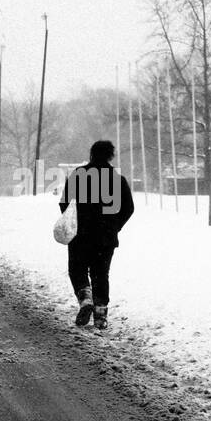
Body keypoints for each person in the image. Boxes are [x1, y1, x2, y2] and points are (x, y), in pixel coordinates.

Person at [58, 140, 134, 329]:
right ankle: (100, 314)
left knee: (77, 270)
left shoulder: (78, 175)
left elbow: (64, 203)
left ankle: (85, 299)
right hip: (106, 237)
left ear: (92, 154)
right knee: (101, 274)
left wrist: (74, 220)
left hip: (80, 235)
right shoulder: (118, 179)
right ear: (110, 156)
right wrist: (115, 226)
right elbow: (129, 208)